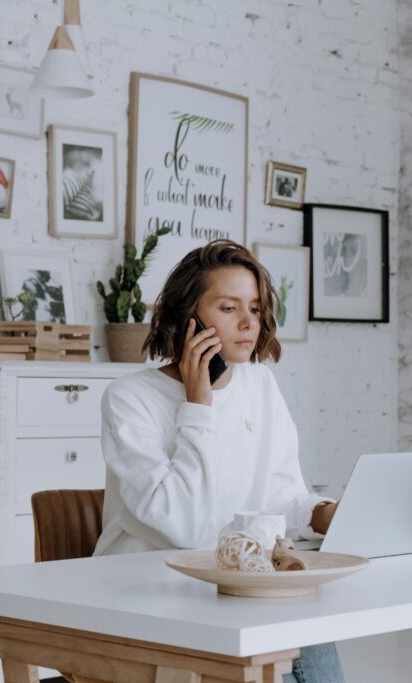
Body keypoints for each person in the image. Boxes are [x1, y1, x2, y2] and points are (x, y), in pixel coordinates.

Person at [94, 239, 345, 682]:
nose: (249, 323)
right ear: (187, 316)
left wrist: (325, 514)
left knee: (310, 622)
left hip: (240, 585)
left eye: (255, 307)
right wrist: (199, 404)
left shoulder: (260, 385)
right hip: (150, 592)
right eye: (229, 308)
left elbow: (280, 499)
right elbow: (185, 528)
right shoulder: (130, 398)